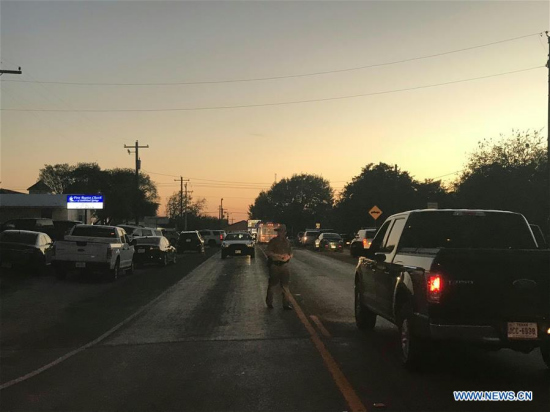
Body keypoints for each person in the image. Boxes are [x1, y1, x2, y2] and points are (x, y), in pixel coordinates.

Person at [265, 224, 293, 310]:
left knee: (285, 286)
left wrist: (288, 256)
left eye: (281, 231)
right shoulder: (273, 241)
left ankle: (286, 304)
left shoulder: (287, 242)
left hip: (284, 265)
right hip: (275, 265)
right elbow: (268, 252)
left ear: (284, 232)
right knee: (272, 285)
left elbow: (291, 253)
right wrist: (278, 256)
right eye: (279, 231)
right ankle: (269, 302)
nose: (280, 233)